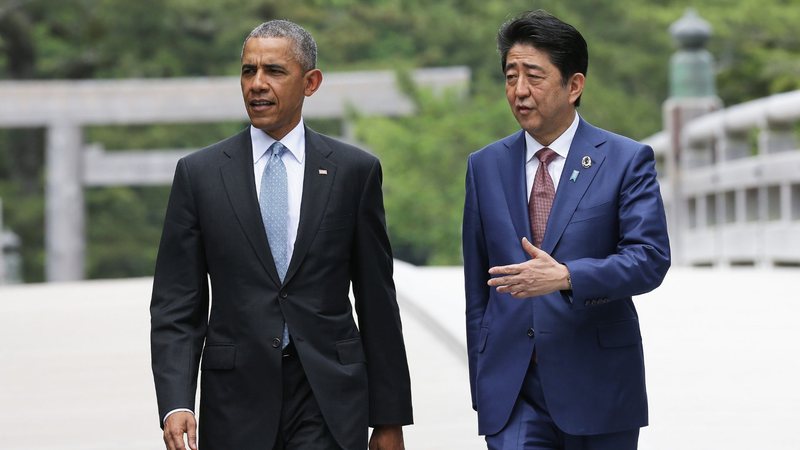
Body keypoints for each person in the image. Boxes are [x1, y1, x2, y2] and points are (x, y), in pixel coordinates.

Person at [150, 19, 412, 450]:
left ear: (310, 82)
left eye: (273, 71)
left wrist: (388, 420)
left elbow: (377, 301)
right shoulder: (199, 175)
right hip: (236, 399)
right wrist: (176, 402)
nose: (257, 84)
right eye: (248, 71)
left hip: (328, 396)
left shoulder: (353, 172)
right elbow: (177, 303)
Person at [462, 10, 670, 450]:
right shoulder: (484, 166)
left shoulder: (625, 159)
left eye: (534, 76)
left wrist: (568, 277)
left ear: (574, 86)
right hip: (513, 391)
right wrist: (482, 385)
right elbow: (477, 293)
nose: (519, 91)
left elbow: (649, 259)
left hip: (598, 385)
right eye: (510, 75)